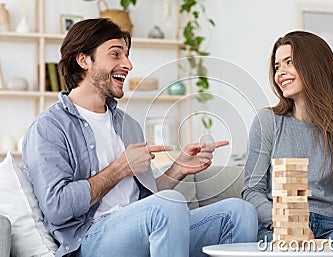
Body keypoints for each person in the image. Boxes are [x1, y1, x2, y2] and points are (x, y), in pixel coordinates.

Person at [22, 18, 257, 257]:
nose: (128, 64)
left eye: (127, 55)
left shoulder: (127, 124)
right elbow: (57, 208)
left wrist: (178, 169)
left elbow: (146, 201)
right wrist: (121, 168)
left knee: (239, 212)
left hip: (137, 226)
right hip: (89, 240)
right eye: (116, 54)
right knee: (169, 203)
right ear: (84, 60)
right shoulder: (49, 127)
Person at [242, 31, 333, 246]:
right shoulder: (267, 122)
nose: (280, 73)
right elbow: (252, 191)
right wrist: (286, 224)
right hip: (280, 227)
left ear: (314, 65)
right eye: (277, 66)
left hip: (331, 228)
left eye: (289, 62)